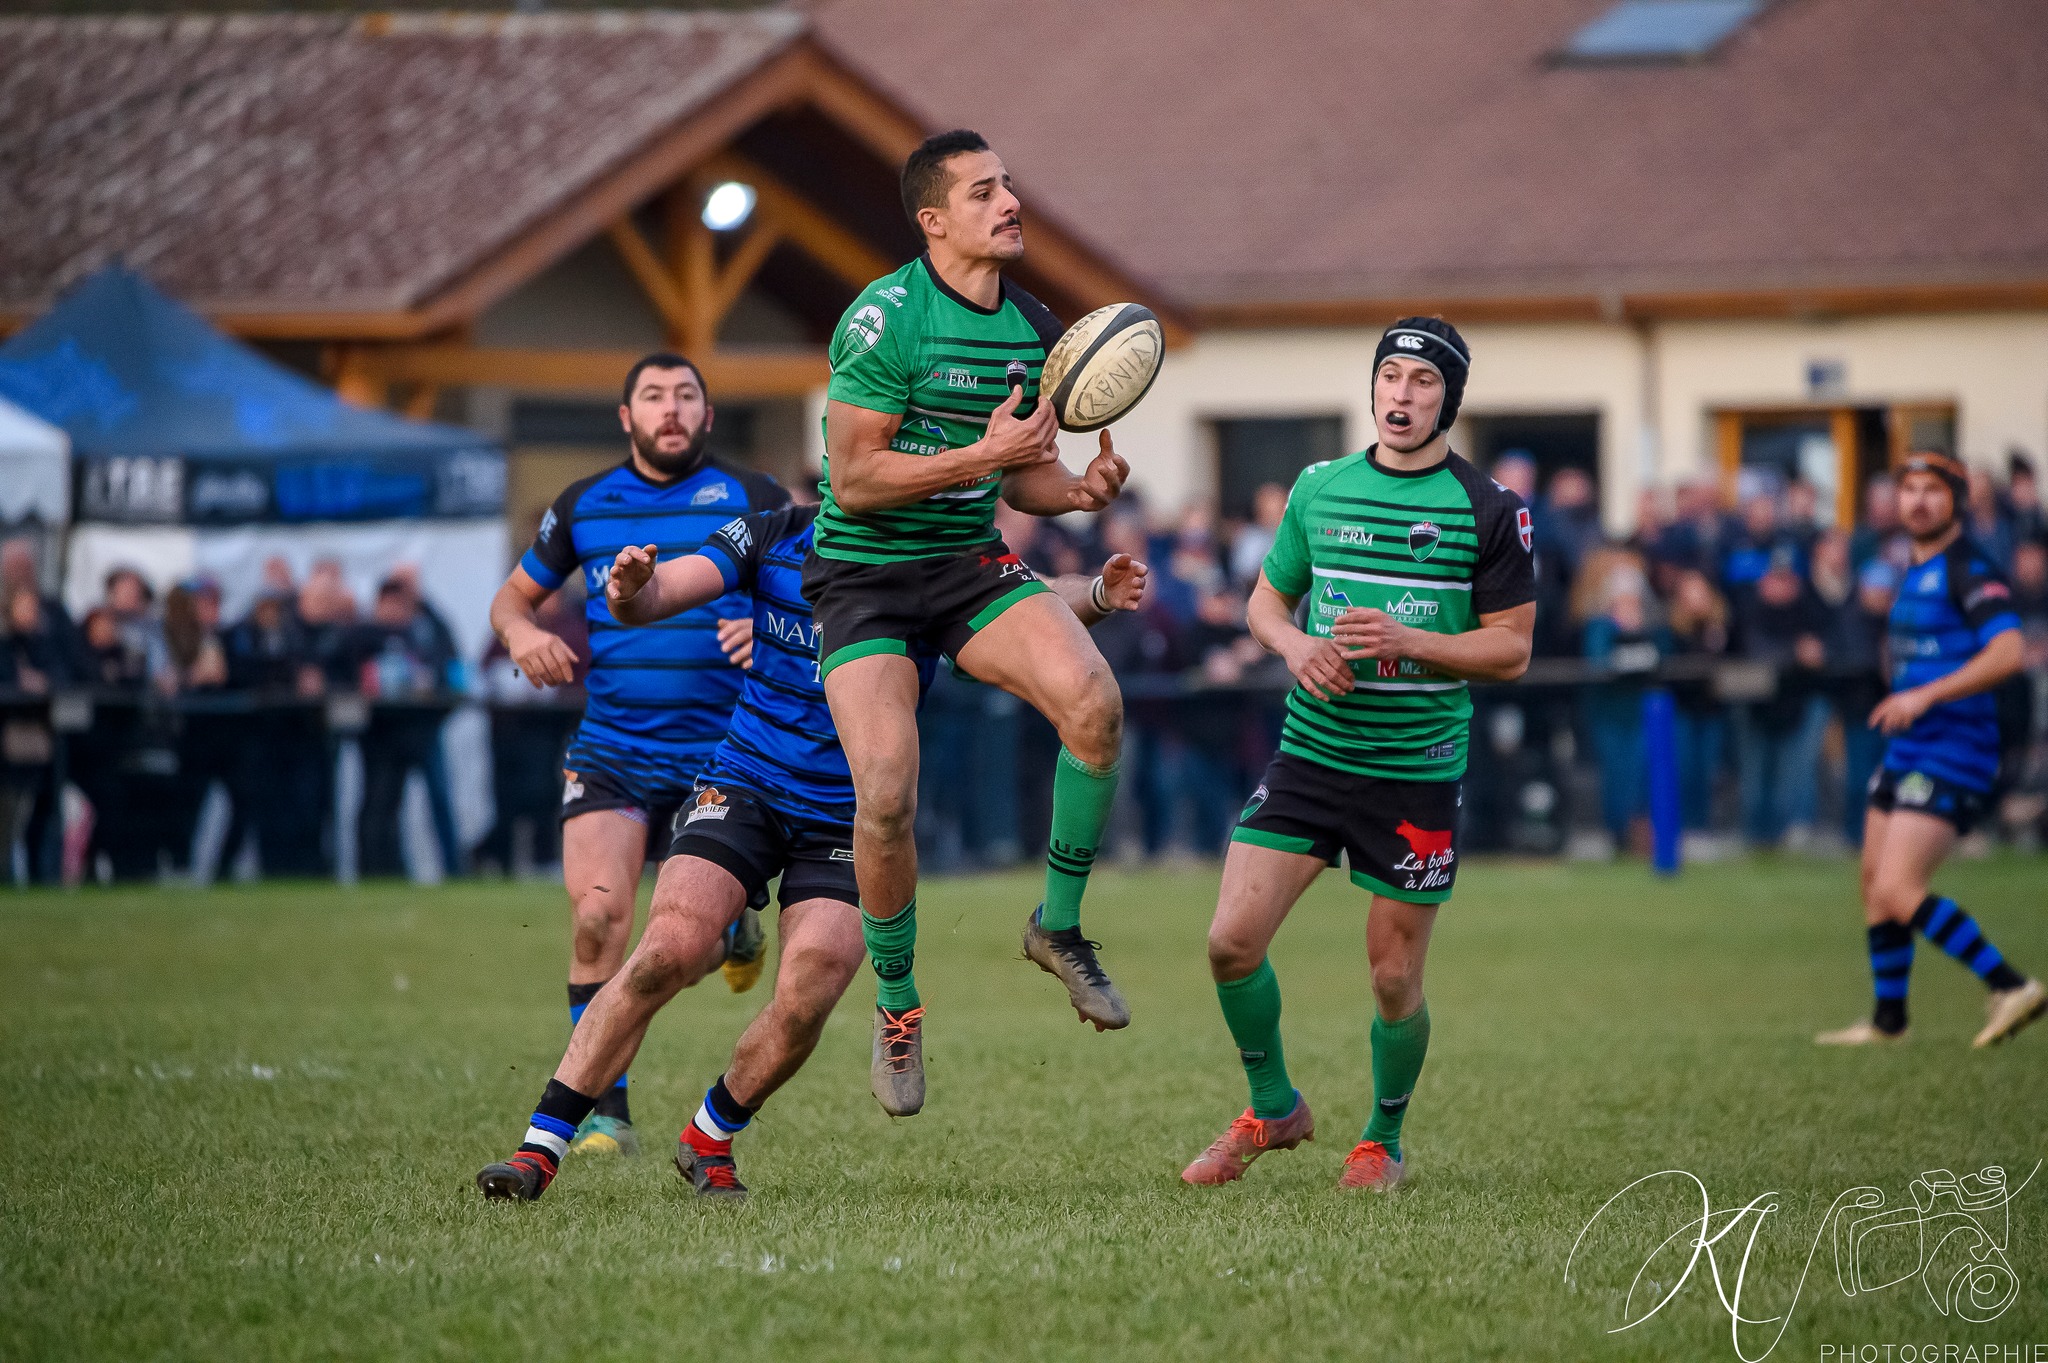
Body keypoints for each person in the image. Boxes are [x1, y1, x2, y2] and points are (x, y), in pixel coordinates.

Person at [476, 502, 1149, 1200]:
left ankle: (709, 1134)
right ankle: (539, 1149)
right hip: (747, 783)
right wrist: (629, 589)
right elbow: (664, 591)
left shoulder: (930, 549)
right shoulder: (774, 532)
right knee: (667, 950)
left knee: (808, 993)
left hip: (850, 817)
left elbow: (1029, 596)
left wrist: (1098, 592)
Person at [807, 129, 1136, 1111]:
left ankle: (1057, 926)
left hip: (966, 563)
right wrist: (979, 458)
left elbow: (1025, 473)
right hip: (865, 576)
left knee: (1094, 703)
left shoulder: (1034, 328)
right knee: (885, 793)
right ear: (934, 220)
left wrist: (1076, 491)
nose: (1009, 202)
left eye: (1008, 185)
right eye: (983, 191)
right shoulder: (884, 318)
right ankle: (897, 1003)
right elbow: (855, 479)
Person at [1181, 318, 1534, 1192]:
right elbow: (1265, 605)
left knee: (1391, 977)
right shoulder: (1320, 486)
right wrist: (1296, 646)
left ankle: (1383, 1139)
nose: (1401, 395)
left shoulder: (1489, 508)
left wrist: (1410, 641)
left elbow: (1511, 649)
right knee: (1230, 942)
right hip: (1311, 754)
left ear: (1449, 398)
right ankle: (1275, 1107)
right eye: (1389, 377)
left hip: (1415, 770)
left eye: (1422, 381)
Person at [487, 352, 787, 1157]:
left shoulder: (755, 497)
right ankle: (605, 1113)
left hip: (725, 761)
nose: (671, 408)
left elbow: (810, 590)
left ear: (708, 415)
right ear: (627, 417)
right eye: (653, 396)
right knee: (596, 921)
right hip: (612, 750)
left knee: (677, 946)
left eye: (686, 395)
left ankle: (731, 935)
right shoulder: (584, 504)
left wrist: (764, 628)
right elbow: (513, 597)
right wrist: (521, 632)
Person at [1818, 453, 2042, 1049]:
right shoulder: (1909, 568)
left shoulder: (1969, 567)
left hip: (1954, 748)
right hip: (1909, 747)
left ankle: (2011, 985)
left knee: (1898, 888)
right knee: (1873, 882)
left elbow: (2009, 652)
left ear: (1957, 501)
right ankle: (1889, 1022)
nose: (1918, 501)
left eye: (1933, 491)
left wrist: (1925, 695)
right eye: (1909, 490)